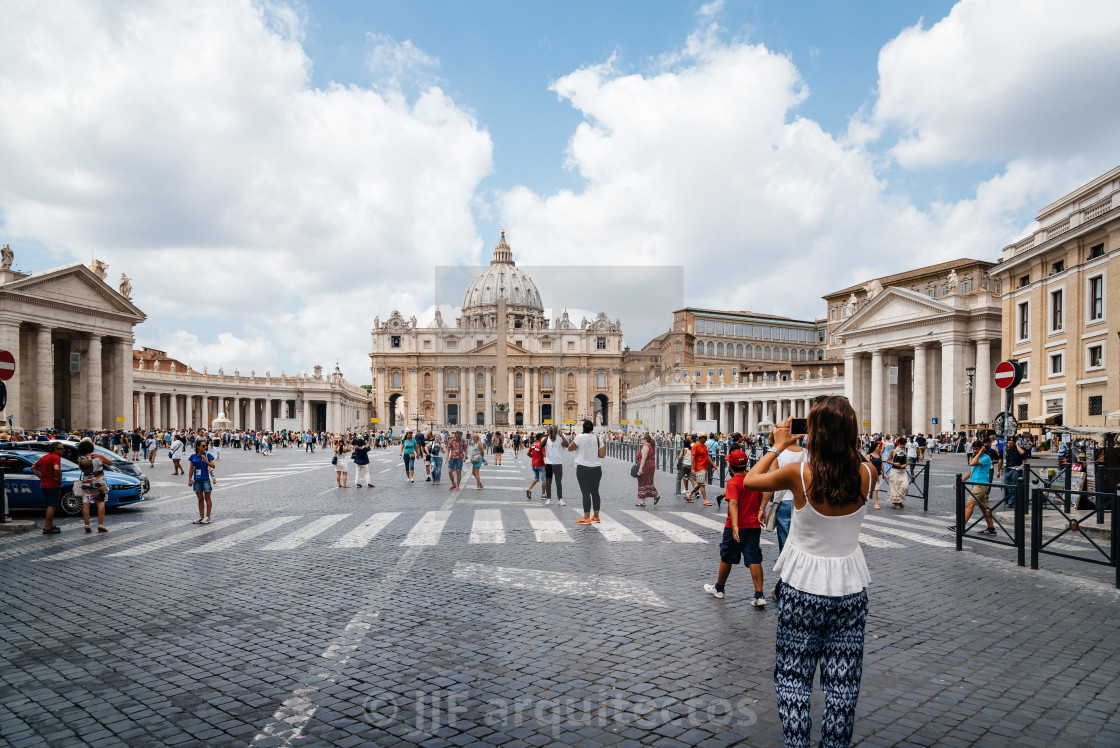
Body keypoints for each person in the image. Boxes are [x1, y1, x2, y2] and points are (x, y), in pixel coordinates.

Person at [739, 398, 877, 748]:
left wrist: (778, 446)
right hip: (850, 589)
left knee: (793, 677)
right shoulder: (867, 473)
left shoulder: (799, 473)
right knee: (843, 684)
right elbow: (853, 457)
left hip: (802, 587)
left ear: (813, 433)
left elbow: (751, 481)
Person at [704, 450, 766, 606]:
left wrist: (735, 526)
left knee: (727, 556)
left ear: (730, 467)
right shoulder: (753, 481)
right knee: (754, 558)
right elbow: (762, 497)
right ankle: (759, 595)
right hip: (753, 525)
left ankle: (719, 588)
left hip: (736, 526)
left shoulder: (733, 483)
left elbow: (733, 503)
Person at [764, 433, 806, 553]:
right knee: (804, 542)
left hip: (784, 502)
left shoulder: (777, 455)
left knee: (786, 543)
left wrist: (762, 508)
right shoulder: (809, 454)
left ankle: (789, 568)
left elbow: (771, 482)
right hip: (805, 502)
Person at [949, 439, 997, 535]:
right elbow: (971, 471)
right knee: (984, 508)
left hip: (981, 484)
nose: (975, 451)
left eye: (977, 449)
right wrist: (960, 481)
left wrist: (979, 453)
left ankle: (960, 526)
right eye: (974, 449)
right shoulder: (976, 457)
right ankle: (991, 528)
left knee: (969, 504)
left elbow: (972, 463)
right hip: (976, 484)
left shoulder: (986, 458)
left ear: (981, 449)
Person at [569, 420, 605, 524]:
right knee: (595, 492)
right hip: (596, 468)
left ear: (583, 428)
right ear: (592, 429)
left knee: (585, 492)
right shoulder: (598, 438)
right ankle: (596, 516)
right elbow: (602, 455)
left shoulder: (579, 437)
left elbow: (570, 448)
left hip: (583, 467)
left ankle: (586, 517)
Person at [77, 438, 110, 533]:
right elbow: (110, 462)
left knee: (86, 503)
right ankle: (100, 524)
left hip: (87, 483)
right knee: (100, 502)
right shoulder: (98, 457)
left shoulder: (80, 460)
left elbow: (83, 470)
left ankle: (87, 525)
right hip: (99, 482)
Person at [32, 441, 65, 534]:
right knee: (52, 506)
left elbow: (33, 467)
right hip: (53, 484)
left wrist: (41, 477)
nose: (63, 450)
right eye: (61, 449)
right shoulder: (56, 457)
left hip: (44, 484)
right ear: (55, 449)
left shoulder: (44, 457)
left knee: (49, 506)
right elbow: (56, 468)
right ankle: (46, 527)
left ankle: (51, 524)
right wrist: (59, 479)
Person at [188, 439, 216, 524]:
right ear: (197, 446)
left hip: (206, 479)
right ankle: (201, 516)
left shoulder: (208, 455)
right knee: (200, 499)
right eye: (203, 446)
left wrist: (206, 461)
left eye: (205, 445)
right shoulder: (193, 456)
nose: (205, 447)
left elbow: (213, 466)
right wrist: (189, 479)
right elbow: (191, 468)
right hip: (197, 480)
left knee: (207, 498)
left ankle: (208, 516)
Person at [543, 426, 568, 506]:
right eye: (552, 430)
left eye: (555, 430)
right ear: (549, 431)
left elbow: (567, 445)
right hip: (549, 464)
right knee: (548, 482)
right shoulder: (546, 439)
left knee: (558, 482)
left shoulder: (560, 439)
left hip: (558, 464)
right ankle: (548, 499)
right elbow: (541, 445)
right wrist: (547, 435)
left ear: (557, 431)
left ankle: (560, 499)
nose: (553, 432)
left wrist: (562, 435)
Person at [1003, 433, 1029, 509]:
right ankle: (1008, 499)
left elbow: (1023, 456)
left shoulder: (1019, 450)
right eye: (1008, 443)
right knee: (1005, 485)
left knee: (1014, 486)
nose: (1009, 444)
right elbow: (1002, 459)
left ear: (1014, 443)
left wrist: (1017, 445)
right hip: (1007, 469)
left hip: (1016, 469)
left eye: (1011, 443)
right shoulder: (1006, 450)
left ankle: (1011, 501)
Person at [635, 433, 660, 507]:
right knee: (648, 482)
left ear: (645, 440)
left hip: (646, 467)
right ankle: (653, 497)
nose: (641, 440)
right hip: (650, 466)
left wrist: (640, 468)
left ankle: (644, 500)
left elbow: (644, 458)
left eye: (642, 439)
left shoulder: (646, 447)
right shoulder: (650, 446)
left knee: (642, 482)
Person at [686, 433, 711, 506]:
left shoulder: (704, 446)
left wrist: (713, 464)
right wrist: (692, 469)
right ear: (700, 438)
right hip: (699, 467)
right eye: (704, 438)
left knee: (699, 483)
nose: (706, 439)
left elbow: (707, 455)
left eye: (706, 438)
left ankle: (689, 494)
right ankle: (705, 500)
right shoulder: (695, 446)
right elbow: (692, 458)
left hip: (705, 466)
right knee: (702, 484)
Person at [885, 438, 908, 509]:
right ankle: (897, 502)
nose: (904, 446)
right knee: (896, 487)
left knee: (905, 486)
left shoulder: (904, 451)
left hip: (903, 472)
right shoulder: (893, 451)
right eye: (903, 444)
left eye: (904, 444)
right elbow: (888, 461)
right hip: (895, 471)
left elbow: (906, 462)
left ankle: (900, 500)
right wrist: (894, 463)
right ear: (899, 444)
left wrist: (904, 465)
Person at [526, 433, 546, 500]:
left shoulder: (533, 444)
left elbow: (528, 453)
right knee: (544, 479)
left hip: (534, 464)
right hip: (540, 464)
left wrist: (533, 457)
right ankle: (543, 495)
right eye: (543, 437)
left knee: (536, 478)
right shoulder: (541, 444)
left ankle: (529, 489)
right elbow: (544, 454)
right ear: (540, 437)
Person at [865, 441, 884, 510]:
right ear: (875, 448)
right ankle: (876, 504)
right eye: (879, 446)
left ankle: (865, 499)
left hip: (879, 474)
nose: (880, 448)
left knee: (875, 489)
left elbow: (882, 465)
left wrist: (884, 473)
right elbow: (865, 465)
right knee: (875, 490)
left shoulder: (880, 455)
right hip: (872, 475)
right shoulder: (869, 456)